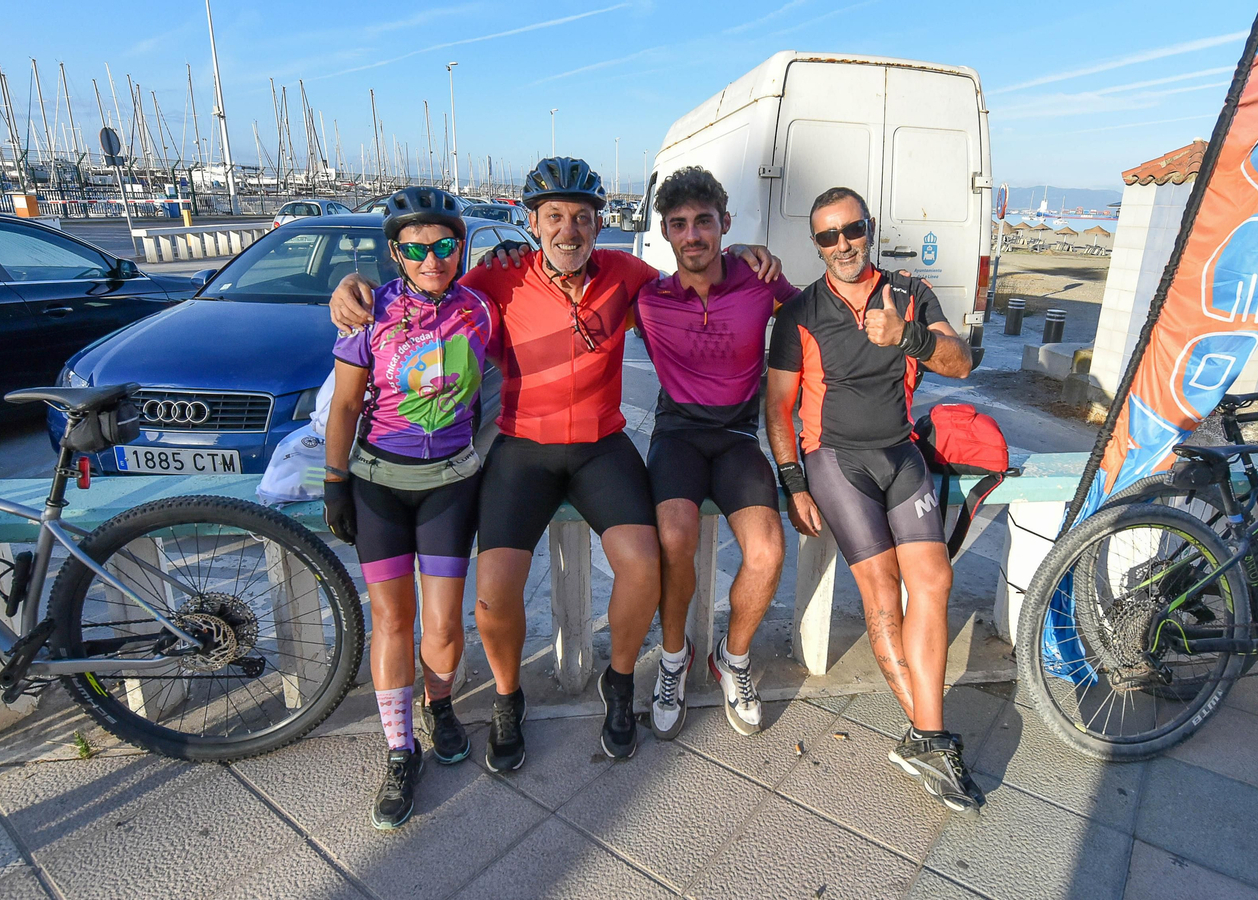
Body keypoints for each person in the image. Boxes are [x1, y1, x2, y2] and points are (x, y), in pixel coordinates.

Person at [330, 159, 779, 767]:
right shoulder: (496, 278)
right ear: (532, 224)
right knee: (492, 596)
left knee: (643, 569)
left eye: (582, 218)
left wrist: (746, 250)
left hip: (601, 445)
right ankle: (508, 698)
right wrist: (348, 288)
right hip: (522, 447)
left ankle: (618, 684)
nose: (569, 230)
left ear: (599, 224)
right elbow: (417, 292)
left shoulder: (625, 273)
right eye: (555, 218)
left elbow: (693, 271)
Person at [764, 186, 984, 815]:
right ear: (816, 245)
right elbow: (777, 405)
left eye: (851, 230)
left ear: (870, 228)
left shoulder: (909, 294)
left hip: (901, 452)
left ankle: (925, 737)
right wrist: (792, 480)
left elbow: (962, 362)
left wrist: (906, 337)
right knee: (882, 588)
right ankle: (932, 734)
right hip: (834, 459)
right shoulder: (800, 313)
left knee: (934, 580)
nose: (842, 245)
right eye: (827, 237)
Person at [322, 186, 496, 830]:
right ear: (395, 252)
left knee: (445, 625)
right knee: (394, 621)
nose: (433, 260)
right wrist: (334, 480)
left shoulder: (481, 308)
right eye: (417, 248)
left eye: (446, 245)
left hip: (449, 482)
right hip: (377, 484)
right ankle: (400, 748)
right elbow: (344, 405)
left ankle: (440, 704)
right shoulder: (368, 312)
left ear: (462, 246)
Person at [634, 167, 798, 739]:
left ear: (725, 225)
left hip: (736, 437)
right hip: (677, 435)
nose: (693, 235)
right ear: (665, 233)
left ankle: (732, 656)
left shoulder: (761, 282)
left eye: (704, 221)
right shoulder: (648, 298)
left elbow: (824, 318)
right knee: (675, 538)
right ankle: (674, 660)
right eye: (679, 225)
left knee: (768, 552)